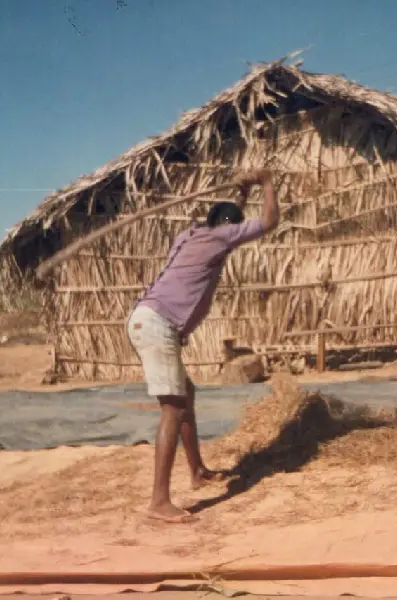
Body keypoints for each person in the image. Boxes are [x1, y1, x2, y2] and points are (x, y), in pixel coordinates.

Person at [125, 168, 279, 523]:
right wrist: (267, 182)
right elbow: (269, 221)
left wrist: (239, 197)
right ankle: (159, 502)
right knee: (173, 409)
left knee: (185, 396)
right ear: (228, 229)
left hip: (143, 318)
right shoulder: (219, 238)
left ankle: (196, 472)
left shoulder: (190, 235)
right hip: (157, 323)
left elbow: (222, 219)